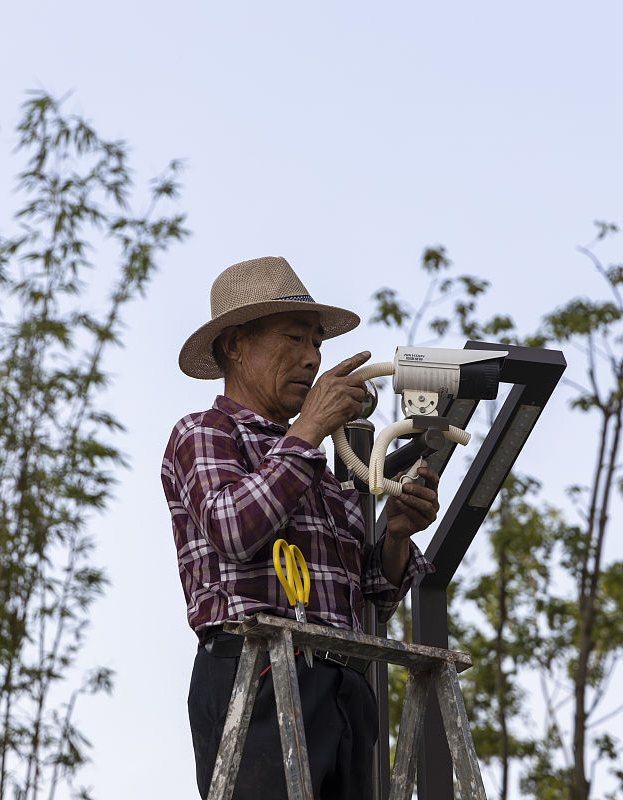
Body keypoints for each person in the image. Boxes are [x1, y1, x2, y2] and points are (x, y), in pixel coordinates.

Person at [163, 256, 442, 799]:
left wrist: (397, 535)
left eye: (317, 344)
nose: (312, 359)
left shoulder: (317, 463)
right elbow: (234, 529)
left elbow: (369, 600)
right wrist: (310, 427)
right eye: (294, 338)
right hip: (255, 674)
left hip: (342, 687)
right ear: (235, 345)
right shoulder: (206, 432)